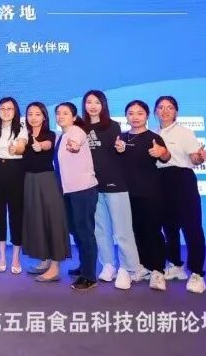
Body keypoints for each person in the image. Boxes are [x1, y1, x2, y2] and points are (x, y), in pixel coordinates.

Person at [82, 90, 141, 290]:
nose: (92, 106)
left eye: (97, 102)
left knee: (122, 230)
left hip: (114, 183)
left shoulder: (113, 126)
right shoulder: (80, 127)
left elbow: (118, 148)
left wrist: (121, 147)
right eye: (89, 102)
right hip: (91, 185)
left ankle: (129, 268)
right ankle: (108, 264)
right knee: (100, 229)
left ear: (103, 105)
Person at [154, 95, 206, 294]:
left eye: (169, 107)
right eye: (161, 107)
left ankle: (197, 273)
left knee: (192, 227)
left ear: (176, 112)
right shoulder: (152, 133)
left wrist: (200, 157)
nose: (165, 111)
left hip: (182, 179)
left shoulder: (185, 132)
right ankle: (176, 265)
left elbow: (194, 158)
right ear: (155, 111)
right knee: (169, 227)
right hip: (160, 181)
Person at [117, 100, 171, 291]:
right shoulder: (120, 138)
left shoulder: (153, 137)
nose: (135, 117)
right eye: (131, 113)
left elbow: (165, 156)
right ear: (126, 116)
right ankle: (140, 267)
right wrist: (117, 150)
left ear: (147, 116)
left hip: (150, 192)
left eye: (140, 113)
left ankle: (158, 271)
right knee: (133, 231)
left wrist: (161, 152)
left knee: (152, 231)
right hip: (125, 194)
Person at [21, 102, 70, 283]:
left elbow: (47, 145)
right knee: (37, 221)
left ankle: (55, 267)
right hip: (29, 181)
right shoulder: (23, 135)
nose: (33, 117)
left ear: (44, 117)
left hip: (47, 180)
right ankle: (45, 259)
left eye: (37, 114)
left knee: (52, 221)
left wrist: (40, 146)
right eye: (30, 114)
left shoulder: (50, 134)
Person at [54, 102, 99, 291]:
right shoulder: (60, 136)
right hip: (69, 191)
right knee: (76, 230)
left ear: (74, 117)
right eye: (58, 113)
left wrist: (75, 146)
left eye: (65, 113)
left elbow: (77, 143)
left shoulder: (76, 132)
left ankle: (89, 276)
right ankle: (84, 266)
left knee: (85, 232)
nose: (61, 116)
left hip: (83, 190)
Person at [0, 97, 27, 274]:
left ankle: (16, 257)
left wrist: (15, 149)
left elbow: (21, 147)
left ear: (15, 111)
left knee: (16, 213)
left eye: (9, 108)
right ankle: (2, 256)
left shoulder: (21, 128)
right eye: (2, 108)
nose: (6, 111)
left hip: (15, 169)